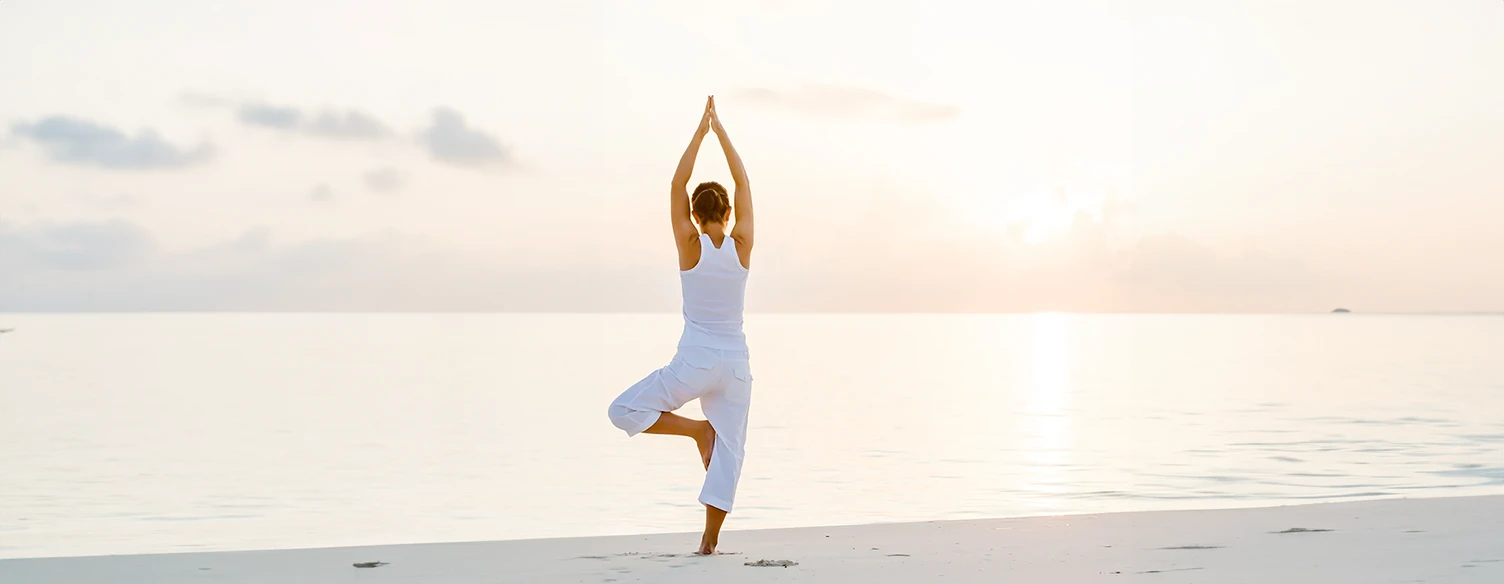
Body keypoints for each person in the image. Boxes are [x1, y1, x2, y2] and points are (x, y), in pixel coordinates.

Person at [607, 95, 754, 556]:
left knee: (624, 410)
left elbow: (677, 183)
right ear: (728, 213)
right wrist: (722, 132)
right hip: (734, 364)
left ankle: (695, 431)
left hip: (694, 361)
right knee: (730, 452)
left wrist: (701, 130)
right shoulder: (742, 244)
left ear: (694, 214)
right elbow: (744, 180)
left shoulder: (689, 243)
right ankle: (708, 542)